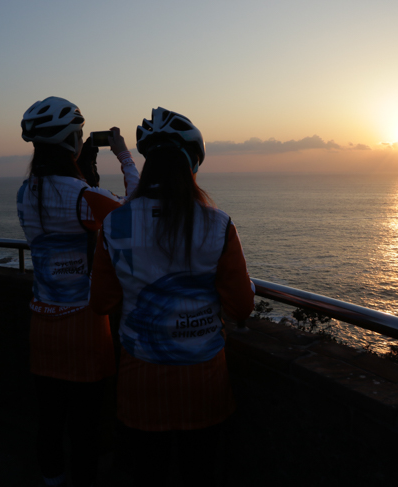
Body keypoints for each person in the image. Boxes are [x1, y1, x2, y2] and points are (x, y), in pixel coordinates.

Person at [89, 108, 255, 487]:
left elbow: (101, 303)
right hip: (204, 379)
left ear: (149, 165)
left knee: (148, 472)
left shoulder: (115, 223)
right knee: (200, 471)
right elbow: (241, 307)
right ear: (192, 162)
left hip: (140, 379)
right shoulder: (218, 223)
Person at [17, 96, 139, 487]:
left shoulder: (23, 192)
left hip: (42, 317)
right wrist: (124, 157)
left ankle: (51, 477)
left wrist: (83, 167)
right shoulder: (84, 196)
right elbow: (133, 214)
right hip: (85, 324)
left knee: (50, 416)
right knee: (86, 422)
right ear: (72, 139)